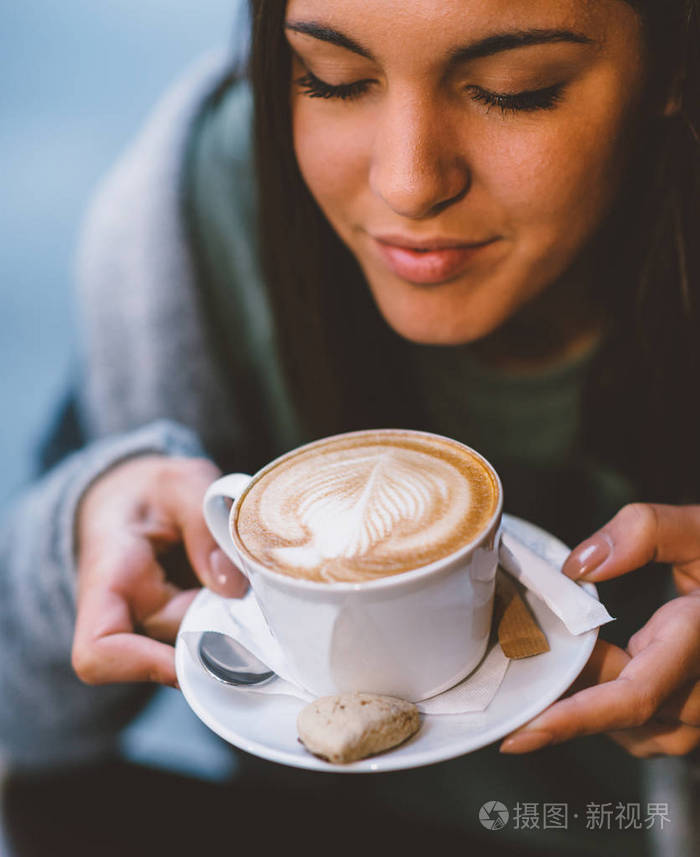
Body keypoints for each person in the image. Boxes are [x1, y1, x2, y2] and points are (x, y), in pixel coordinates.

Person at [1, 0, 698, 854]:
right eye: (334, 79)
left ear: (674, 69)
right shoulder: (207, 213)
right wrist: (73, 543)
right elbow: (18, 732)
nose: (408, 181)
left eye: (515, 91)